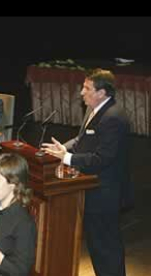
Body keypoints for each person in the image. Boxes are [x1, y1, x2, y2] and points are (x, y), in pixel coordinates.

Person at [42, 69, 132, 276]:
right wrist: (62, 149)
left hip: (104, 194)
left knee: (106, 248)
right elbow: (82, 139)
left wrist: (66, 158)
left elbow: (102, 158)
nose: (82, 92)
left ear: (102, 92)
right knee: (98, 246)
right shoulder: (94, 109)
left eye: (87, 88)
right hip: (91, 190)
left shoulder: (113, 118)